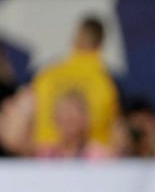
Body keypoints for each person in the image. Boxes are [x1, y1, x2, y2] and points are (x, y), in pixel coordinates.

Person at [31, 15, 119, 150]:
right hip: (91, 159)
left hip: (43, 156)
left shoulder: (45, 75)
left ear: (76, 37)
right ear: (101, 42)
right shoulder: (108, 83)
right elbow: (116, 129)